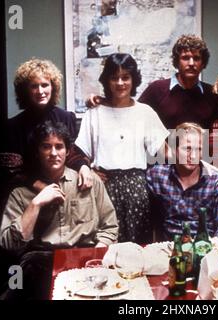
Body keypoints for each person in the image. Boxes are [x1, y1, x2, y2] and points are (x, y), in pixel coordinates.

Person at [0, 121, 118, 299]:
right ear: (37, 152)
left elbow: (110, 227)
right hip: (41, 262)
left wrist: (97, 257)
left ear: (67, 151)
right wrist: (35, 204)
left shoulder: (89, 181)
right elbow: (8, 243)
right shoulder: (21, 193)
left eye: (59, 147)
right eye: (46, 147)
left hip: (86, 258)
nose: (53, 153)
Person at [75, 53, 170, 243]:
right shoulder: (95, 112)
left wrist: (198, 158)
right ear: (106, 80)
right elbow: (79, 153)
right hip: (104, 187)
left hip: (137, 188)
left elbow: (166, 154)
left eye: (125, 77)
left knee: (137, 247)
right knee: (105, 245)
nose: (120, 83)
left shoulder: (144, 112)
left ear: (133, 80)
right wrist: (89, 169)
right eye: (114, 77)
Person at [86, 34, 218, 129]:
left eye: (196, 58)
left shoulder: (211, 93)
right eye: (185, 58)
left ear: (203, 63)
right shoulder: (157, 89)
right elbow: (131, 111)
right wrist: (102, 101)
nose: (191, 63)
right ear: (177, 62)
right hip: (161, 162)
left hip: (200, 161)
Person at [1, 58, 93, 191]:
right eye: (34, 86)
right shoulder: (13, 126)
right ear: (25, 90)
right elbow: (10, 171)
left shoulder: (67, 118)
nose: (40, 91)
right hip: (27, 190)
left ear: (53, 87)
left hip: (64, 187)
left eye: (44, 85)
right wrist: (39, 185)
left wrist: (83, 167)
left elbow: (72, 153)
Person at [146, 122, 218, 241]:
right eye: (187, 148)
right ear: (174, 150)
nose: (194, 155)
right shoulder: (157, 175)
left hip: (206, 247)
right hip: (170, 249)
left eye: (199, 149)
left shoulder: (216, 182)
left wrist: (214, 245)